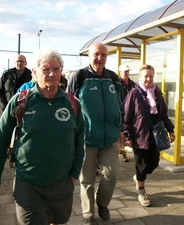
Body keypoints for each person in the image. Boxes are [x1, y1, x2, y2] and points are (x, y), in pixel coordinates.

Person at [0, 48, 85, 225]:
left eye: (56, 69)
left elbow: (80, 143)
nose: (51, 74)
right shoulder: (20, 102)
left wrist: (73, 175)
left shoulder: (73, 105)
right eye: (45, 69)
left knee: (58, 221)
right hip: (28, 185)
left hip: (62, 185)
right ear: (34, 72)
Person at [66, 42, 121, 225]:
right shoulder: (79, 77)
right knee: (86, 180)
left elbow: (120, 106)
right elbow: (68, 107)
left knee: (110, 176)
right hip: (86, 139)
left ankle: (102, 203)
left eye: (104, 55)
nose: (100, 58)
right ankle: (88, 215)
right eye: (96, 54)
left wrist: (121, 129)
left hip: (110, 138)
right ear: (89, 56)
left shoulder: (113, 78)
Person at [122, 64, 175, 207]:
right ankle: (141, 190)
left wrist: (170, 130)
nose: (148, 79)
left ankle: (139, 177)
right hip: (139, 135)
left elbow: (164, 113)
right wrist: (127, 136)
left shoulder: (157, 92)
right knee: (141, 164)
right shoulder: (133, 93)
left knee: (153, 162)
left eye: (151, 76)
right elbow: (126, 116)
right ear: (140, 77)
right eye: (145, 76)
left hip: (155, 134)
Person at [118, 64, 136, 162]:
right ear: (120, 71)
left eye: (128, 71)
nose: (127, 73)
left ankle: (130, 145)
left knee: (130, 130)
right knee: (122, 131)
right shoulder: (117, 83)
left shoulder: (133, 84)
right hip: (120, 111)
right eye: (125, 71)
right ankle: (122, 152)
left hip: (131, 111)